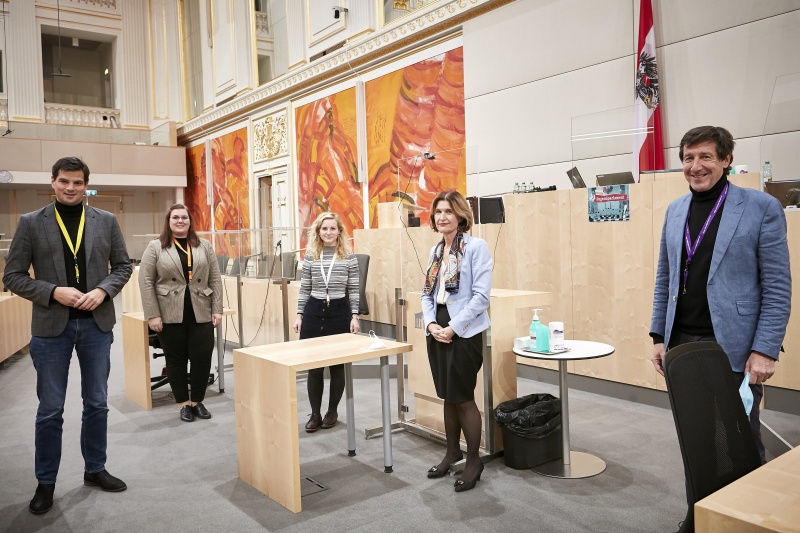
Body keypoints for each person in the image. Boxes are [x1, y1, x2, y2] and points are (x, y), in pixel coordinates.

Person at [650, 126, 792, 462]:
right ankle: (699, 513)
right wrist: (658, 335)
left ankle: (743, 514)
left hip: (734, 346)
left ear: (726, 160)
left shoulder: (761, 207)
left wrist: (765, 350)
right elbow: (664, 279)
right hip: (683, 342)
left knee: (739, 440)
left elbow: (777, 288)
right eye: (688, 158)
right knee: (695, 439)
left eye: (705, 157)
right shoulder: (675, 211)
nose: (695, 166)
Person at [3, 157, 132, 515]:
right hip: (51, 328)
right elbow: (12, 276)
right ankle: (46, 483)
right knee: (50, 410)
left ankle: (95, 469)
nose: (71, 188)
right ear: (53, 182)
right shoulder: (31, 223)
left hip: (96, 325)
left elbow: (123, 266)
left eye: (77, 183)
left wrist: (104, 291)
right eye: (64, 182)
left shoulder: (106, 221)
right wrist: (51, 291)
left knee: (97, 403)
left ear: (86, 185)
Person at [421, 190, 492, 492]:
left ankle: (474, 460)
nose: (442, 217)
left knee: (463, 397)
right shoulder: (435, 251)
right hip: (437, 327)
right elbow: (426, 293)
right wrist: (431, 323)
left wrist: (453, 327)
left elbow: (481, 297)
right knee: (448, 395)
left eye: (448, 211)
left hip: (464, 330)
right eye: (438, 212)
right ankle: (453, 452)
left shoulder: (476, 247)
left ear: (461, 215)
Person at [138, 204, 223, 422]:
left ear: (190, 221)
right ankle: (183, 404)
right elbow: (146, 281)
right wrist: (152, 314)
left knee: (202, 358)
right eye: (175, 217)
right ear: (168, 221)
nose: (180, 221)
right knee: (176, 360)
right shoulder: (156, 247)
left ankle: (197, 401)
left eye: (184, 217)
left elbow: (215, 278)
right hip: (169, 311)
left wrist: (217, 308)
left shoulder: (204, 245)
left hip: (200, 309)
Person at [293, 212, 360, 432]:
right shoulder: (311, 256)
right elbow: (305, 288)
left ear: (339, 231)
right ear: (318, 231)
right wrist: (299, 315)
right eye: (324, 229)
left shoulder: (349, 257)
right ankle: (315, 413)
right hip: (314, 311)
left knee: (337, 365)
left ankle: (332, 410)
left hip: (339, 312)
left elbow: (354, 289)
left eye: (333, 228)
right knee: (314, 367)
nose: (328, 232)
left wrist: (355, 316)